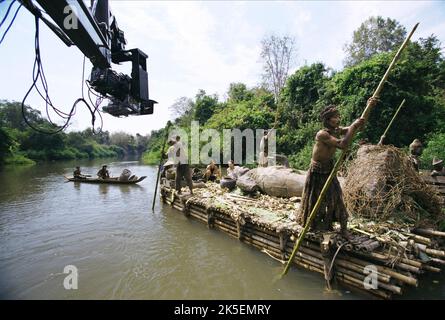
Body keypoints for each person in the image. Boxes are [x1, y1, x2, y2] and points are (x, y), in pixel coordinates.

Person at [298, 98, 377, 238]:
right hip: (316, 171)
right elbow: (342, 144)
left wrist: (368, 106)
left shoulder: (336, 130)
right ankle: (313, 223)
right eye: (335, 117)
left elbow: (357, 127)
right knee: (314, 199)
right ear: (328, 120)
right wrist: (352, 126)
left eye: (338, 116)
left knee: (337, 196)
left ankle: (343, 228)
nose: (338, 119)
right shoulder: (322, 134)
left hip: (329, 169)